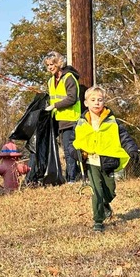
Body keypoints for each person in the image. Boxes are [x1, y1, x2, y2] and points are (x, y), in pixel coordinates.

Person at [72, 86, 140, 232]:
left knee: (110, 191)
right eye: (93, 100)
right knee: (96, 191)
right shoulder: (81, 122)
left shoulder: (112, 121)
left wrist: (132, 150)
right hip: (90, 162)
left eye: (100, 100)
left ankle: (105, 204)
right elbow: (73, 140)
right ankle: (98, 222)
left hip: (108, 161)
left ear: (104, 102)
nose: (97, 103)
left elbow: (124, 137)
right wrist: (73, 151)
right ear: (86, 103)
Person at [44, 51, 82, 182]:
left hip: (71, 120)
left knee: (68, 150)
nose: (50, 67)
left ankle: (71, 178)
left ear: (59, 63)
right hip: (58, 120)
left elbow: (72, 98)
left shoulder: (69, 78)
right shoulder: (50, 81)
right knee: (66, 150)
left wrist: (55, 106)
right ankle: (75, 175)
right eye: (48, 65)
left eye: (52, 64)